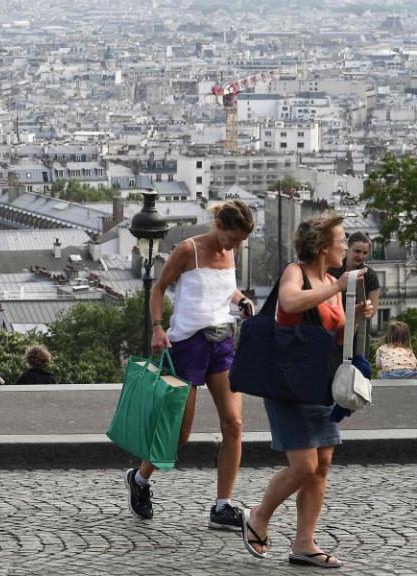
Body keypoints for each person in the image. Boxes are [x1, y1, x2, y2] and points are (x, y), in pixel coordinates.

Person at [242, 214, 374, 568]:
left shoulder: (330, 279)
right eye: (341, 240)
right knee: (303, 466)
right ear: (322, 246)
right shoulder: (296, 273)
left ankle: (304, 544)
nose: (345, 246)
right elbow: (288, 303)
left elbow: (328, 334)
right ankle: (258, 515)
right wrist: (337, 288)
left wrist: (359, 316)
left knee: (322, 465)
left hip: (317, 383)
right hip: (287, 383)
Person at [127, 199, 256, 528]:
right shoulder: (188, 250)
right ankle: (140, 480)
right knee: (177, 435)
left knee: (234, 424)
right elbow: (158, 289)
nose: (237, 245)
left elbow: (225, 289)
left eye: (241, 241)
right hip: (187, 345)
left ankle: (222, 506)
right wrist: (157, 328)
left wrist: (241, 300)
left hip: (222, 342)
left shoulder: (232, 251)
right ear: (220, 226)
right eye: (235, 238)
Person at [328, 231, 380, 357]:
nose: (361, 256)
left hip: (358, 336)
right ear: (348, 248)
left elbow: (373, 309)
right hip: (332, 331)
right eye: (357, 251)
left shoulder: (370, 275)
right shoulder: (331, 269)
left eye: (365, 253)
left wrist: (368, 309)